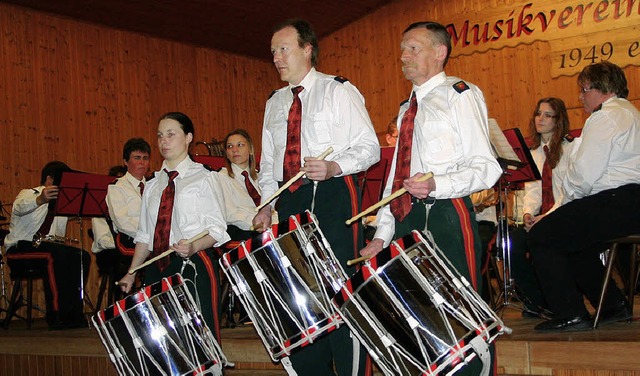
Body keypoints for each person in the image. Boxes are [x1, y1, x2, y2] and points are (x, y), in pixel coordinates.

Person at [359, 21, 502, 375]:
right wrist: (381, 235)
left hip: (445, 214)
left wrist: (438, 184)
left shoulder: (460, 94)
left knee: (460, 311)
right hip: (406, 217)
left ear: (440, 53)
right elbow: (397, 176)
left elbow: (487, 168)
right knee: (417, 315)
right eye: (403, 49)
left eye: (413, 48)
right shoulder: (407, 108)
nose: (403, 57)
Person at [252, 18, 379, 376]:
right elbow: (269, 164)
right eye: (273, 52)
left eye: (283, 49)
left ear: (308, 49)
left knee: (339, 290)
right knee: (302, 294)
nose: (276, 58)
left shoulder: (338, 90)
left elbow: (369, 147)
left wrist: (335, 166)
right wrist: (266, 204)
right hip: (290, 201)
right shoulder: (274, 103)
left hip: (333, 195)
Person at [528, 61, 640, 332]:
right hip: (630, 203)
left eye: (584, 89)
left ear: (601, 89)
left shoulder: (605, 117)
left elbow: (583, 176)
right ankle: (612, 304)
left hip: (616, 201)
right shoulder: (630, 113)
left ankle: (570, 312)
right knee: (575, 242)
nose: (580, 97)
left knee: (541, 235)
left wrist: (556, 211)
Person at [118, 112, 230, 340]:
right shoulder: (151, 185)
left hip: (193, 264)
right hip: (157, 266)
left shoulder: (206, 177)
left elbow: (218, 229)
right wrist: (132, 272)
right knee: (166, 340)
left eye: (171, 134)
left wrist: (194, 246)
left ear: (188, 138)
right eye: (160, 136)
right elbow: (145, 236)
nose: (164, 141)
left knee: (201, 338)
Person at [4, 161, 91, 329]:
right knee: (54, 255)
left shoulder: (63, 203)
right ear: (50, 180)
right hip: (21, 249)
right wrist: (41, 199)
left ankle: (73, 314)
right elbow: (18, 208)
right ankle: (56, 315)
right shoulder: (29, 194)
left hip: (48, 248)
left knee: (82, 256)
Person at [509, 98, 573, 317]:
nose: (540, 119)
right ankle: (537, 301)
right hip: (540, 217)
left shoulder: (570, 149)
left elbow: (569, 192)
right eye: (538, 113)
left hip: (562, 213)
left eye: (547, 115)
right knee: (513, 244)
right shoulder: (534, 153)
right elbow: (534, 190)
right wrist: (528, 213)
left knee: (541, 240)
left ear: (559, 120)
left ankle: (556, 300)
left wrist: (547, 216)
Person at [218, 129, 277, 240]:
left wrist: (274, 222)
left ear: (250, 149)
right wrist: (257, 223)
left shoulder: (261, 178)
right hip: (244, 232)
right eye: (230, 147)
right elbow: (230, 214)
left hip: (268, 227)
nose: (235, 150)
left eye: (240, 145)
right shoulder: (221, 177)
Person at [106, 138, 152, 255]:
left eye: (145, 158)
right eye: (137, 158)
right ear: (126, 161)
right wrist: (149, 236)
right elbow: (122, 222)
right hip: (129, 240)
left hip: (153, 239)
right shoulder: (117, 187)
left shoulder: (154, 186)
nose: (142, 162)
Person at [91, 165, 127, 303]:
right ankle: (118, 305)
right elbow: (103, 240)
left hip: (125, 249)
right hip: (107, 253)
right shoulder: (101, 205)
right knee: (123, 260)